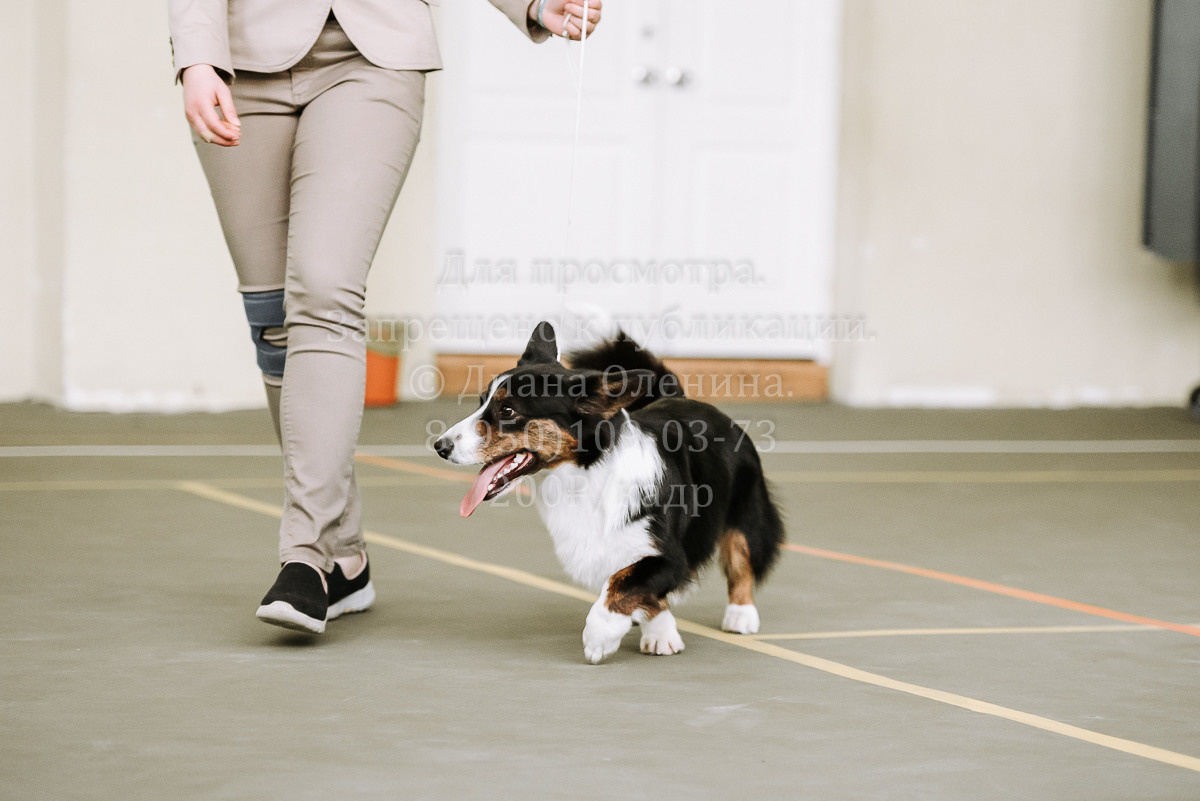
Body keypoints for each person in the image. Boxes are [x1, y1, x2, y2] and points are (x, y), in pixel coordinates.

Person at [168, 0, 602, 634]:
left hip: (372, 55)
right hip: (239, 58)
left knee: (323, 289)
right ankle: (346, 559)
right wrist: (196, 56)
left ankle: (304, 556)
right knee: (272, 316)